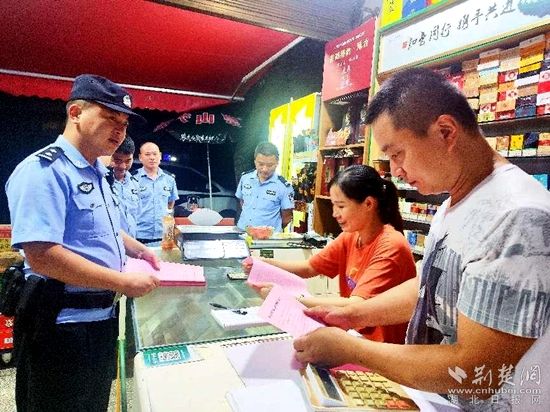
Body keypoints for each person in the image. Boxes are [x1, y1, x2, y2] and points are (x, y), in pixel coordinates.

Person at [293, 67, 550, 410]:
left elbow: (476, 370)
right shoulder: (453, 203)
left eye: (397, 153)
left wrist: (352, 349)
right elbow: (429, 286)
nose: (394, 171)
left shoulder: (518, 217)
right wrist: (354, 315)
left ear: (445, 132)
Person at [5, 74, 162, 412]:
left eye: (124, 123)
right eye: (110, 118)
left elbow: (102, 229)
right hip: (61, 326)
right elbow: (42, 255)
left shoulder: (96, 173)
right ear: (75, 113)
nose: (119, 130)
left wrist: (137, 249)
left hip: (100, 320)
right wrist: (122, 282)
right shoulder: (44, 170)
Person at [245, 165, 416, 343]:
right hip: (355, 335)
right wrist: (263, 265)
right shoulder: (351, 236)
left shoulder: (391, 246)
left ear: (368, 204)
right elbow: (309, 267)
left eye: (341, 206)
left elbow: (357, 305)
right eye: (334, 205)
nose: (335, 214)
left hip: (382, 348)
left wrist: (286, 298)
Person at [236, 142, 294, 232]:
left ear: (277, 163)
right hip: (243, 232)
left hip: (269, 237)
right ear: (255, 161)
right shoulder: (245, 178)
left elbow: (286, 217)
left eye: (270, 165)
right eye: (261, 164)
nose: (265, 169)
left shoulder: (284, 186)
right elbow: (242, 202)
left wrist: (271, 231)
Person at [134, 141, 179, 243]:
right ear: (140, 157)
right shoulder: (133, 179)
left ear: (160, 156)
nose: (152, 158)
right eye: (147, 154)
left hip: (163, 236)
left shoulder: (169, 179)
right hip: (139, 235)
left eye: (155, 154)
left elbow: (170, 205)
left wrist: (169, 233)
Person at [106, 135, 140, 238]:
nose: (123, 166)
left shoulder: (134, 183)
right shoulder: (102, 182)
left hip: (132, 243)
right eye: (117, 160)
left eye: (128, 161)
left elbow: (135, 216)